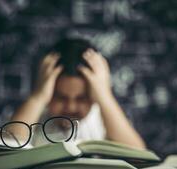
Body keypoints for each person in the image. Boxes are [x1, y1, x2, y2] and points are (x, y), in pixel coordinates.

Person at [10, 38, 145, 149]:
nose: (71, 108)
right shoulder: (32, 117)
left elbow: (140, 157)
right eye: (61, 98)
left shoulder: (106, 121)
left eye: (81, 98)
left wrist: (105, 97)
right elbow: (2, 153)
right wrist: (37, 98)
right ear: (47, 93)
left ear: (94, 95)